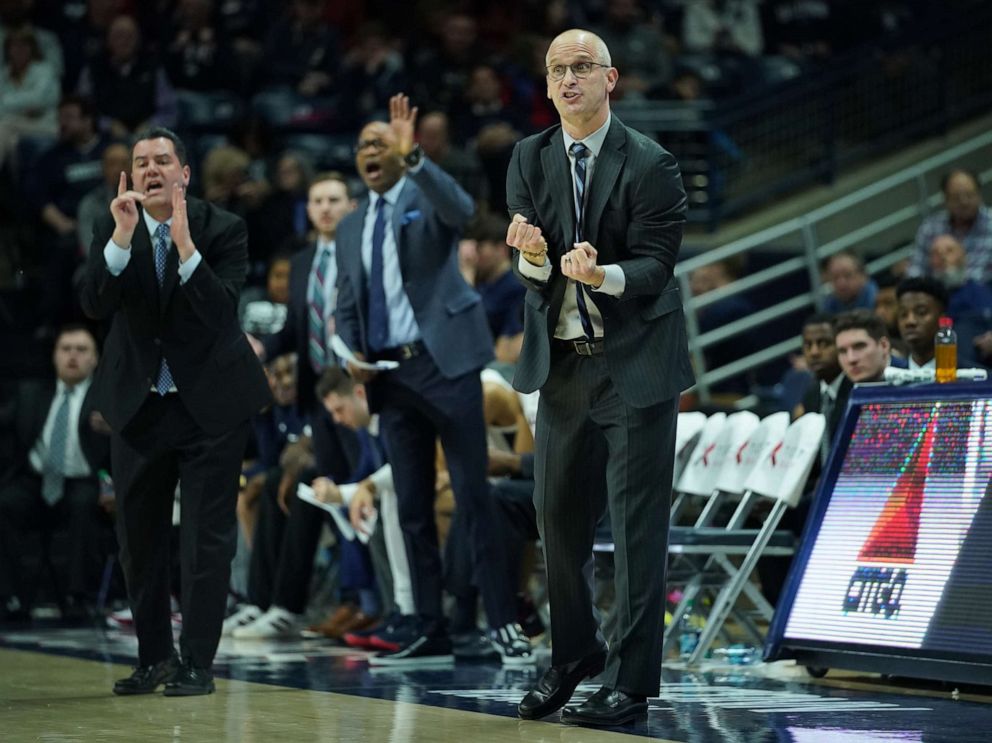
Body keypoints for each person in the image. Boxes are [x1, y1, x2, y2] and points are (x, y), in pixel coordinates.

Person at [505, 29, 693, 726]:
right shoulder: (528, 157)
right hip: (562, 367)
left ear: (610, 78)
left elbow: (655, 266)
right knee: (555, 522)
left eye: (582, 67)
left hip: (635, 364)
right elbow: (530, 272)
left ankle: (631, 681)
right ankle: (574, 655)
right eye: (557, 69)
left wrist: (598, 274)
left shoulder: (651, 163)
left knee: (636, 526)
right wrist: (530, 258)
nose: (568, 79)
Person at [335, 94, 533, 666]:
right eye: (363, 146)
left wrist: (415, 155)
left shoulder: (423, 194)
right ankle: (427, 625)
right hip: (390, 374)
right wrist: (352, 351)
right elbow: (348, 300)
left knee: (474, 496)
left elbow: (464, 209)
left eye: (381, 143)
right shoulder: (351, 227)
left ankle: (501, 621)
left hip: (445, 364)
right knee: (412, 506)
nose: (372, 153)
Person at [80, 127, 271, 696]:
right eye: (141, 163)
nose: (151, 170)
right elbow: (93, 303)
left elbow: (221, 315)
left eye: (163, 160)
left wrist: (186, 250)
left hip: (210, 405)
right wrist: (118, 241)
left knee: (204, 542)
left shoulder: (223, 228)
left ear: (184, 173)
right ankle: (154, 659)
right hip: (140, 405)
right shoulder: (114, 225)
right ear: (131, 176)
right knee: (138, 542)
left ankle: (196, 664)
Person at [0, 324, 110, 622]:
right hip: (35, 481)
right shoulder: (30, 393)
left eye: (81, 349)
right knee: (4, 503)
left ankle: (76, 597)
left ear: (95, 359)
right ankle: (13, 596)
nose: (72, 356)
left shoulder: (108, 399)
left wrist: (113, 432)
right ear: (54, 356)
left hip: (83, 481)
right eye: (66, 349)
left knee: (83, 505)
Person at [909, 169, 992, 284]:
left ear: (979, 194)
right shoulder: (930, 228)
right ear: (945, 200)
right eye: (956, 197)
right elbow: (916, 271)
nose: (964, 202)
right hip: (938, 295)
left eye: (969, 195)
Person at [896, 276, 950, 371]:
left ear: (943, 319)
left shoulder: (973, 379)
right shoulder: (889, 380)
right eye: (903, 314)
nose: (910, 321)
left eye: (921, 312)